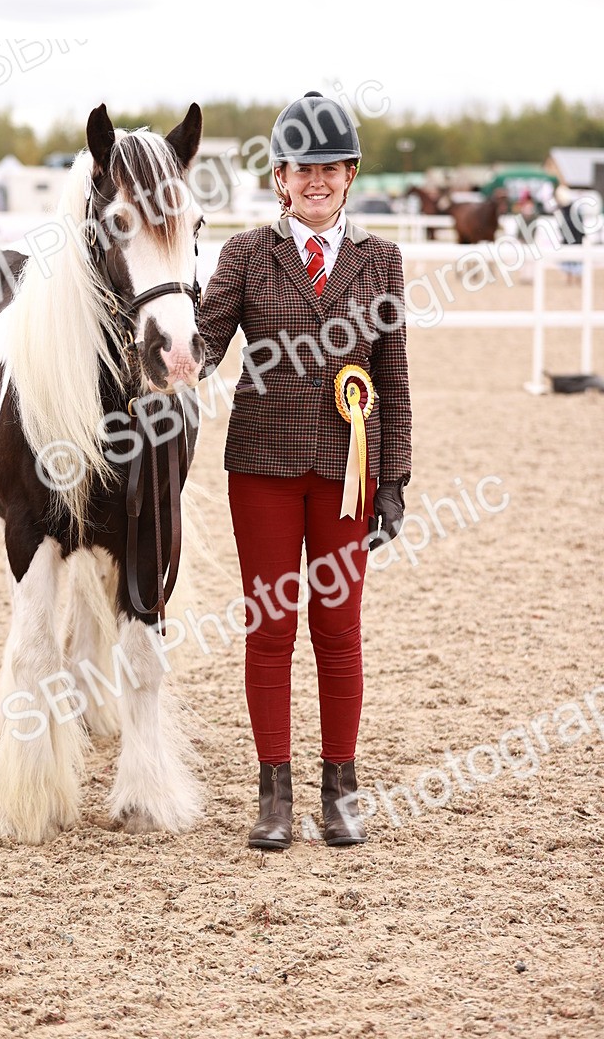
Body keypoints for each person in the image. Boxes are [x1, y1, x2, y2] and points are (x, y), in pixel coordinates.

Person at [195, 91, 412, 851]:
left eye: (330, 167)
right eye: (300, 168)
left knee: (339, 629)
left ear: (350, 174)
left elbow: (394, 375)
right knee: (270, 628)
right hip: (261, 467)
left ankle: (341, 790)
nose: (315, 180)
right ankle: (274, 794)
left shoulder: (380, 260)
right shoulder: (246, 255)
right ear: (279, 178)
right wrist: (152, 310)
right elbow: (201, 348)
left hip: (347, 471)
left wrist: (395, 476)